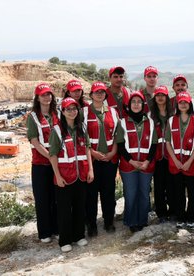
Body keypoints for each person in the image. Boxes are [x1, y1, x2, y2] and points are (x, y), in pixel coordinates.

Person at [49, 97, 94, 253]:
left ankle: (78, 235)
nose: (72, 112)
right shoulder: (57, 130)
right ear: (63, 111)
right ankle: (65, 240)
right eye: (68, 109)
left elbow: (88, 149)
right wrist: (58, 176)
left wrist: (90, 170)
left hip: (81, 175)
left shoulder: (82, 128)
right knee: (64, 210)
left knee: (80, 207)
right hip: (64, 178)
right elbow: (53, 155)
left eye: (75, 109)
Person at [115, 91, 157, 232]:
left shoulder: (150, 122)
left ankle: (142, 220)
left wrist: (147, 161)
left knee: (144, 193)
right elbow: (120, 144)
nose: (136, 104)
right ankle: (131, 221)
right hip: (129, 165)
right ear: (129, 105)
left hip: (146, 164)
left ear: (143, 105)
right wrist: (131, 161)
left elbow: (154, 144)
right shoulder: (123, 122)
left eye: (139, 102)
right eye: (133, 102)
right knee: (131, 194)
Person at [84, 81, 119, 236]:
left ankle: (108, 222)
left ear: (106, 95)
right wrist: (92, 152)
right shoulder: (84, 112)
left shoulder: (112, 112)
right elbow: (82, 137)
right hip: (92, 160)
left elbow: (118, 135)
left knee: (108, 193)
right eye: (96, 92)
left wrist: (113, 153)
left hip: (110, 160)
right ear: (91, 95)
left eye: (102, 92)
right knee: (91, 195)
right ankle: (91, 225)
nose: (100, 94)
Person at [26, 83, 59, 244]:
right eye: (43, 95)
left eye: (49, 94)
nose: (47, 97)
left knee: (57, 198)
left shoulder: (57, 114)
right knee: (42, 199)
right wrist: (50, 157)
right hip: (41, 164)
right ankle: (45, 232)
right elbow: (35, 141)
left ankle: (57, 228)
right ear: (37, 98)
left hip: (57, 163)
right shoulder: (32, 117)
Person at [165, 91, 194, 229]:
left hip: (190, 164)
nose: (183, 104)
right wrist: (175, 160)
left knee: (192, 192)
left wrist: (189, 162)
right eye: (180, 102)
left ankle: (192, 217)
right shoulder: (171, 120)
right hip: (175, 164)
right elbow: (167, 142)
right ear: (177, 104)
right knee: (178, 192)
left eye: (185, 102)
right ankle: (180, 217)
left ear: (189, 104)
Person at [148, 85, 174, 223]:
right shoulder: (150, 116)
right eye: (157, 95)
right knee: (159, 186)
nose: (160, 97)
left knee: (172, 185)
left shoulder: (173, 114)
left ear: (166, 97)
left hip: (171, 156)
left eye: (163, 95)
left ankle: (173, 211)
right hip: (157, 156)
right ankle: (161, 213)